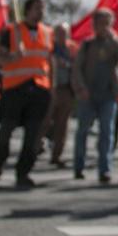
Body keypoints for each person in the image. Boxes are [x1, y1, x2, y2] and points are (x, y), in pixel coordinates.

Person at [0, 0, 54, 188]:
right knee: (6, 130)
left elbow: (49, 61)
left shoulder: (47, 32)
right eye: (37, 8)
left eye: (42, 8)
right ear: (27, 10)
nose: (40, 12)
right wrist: (13, 56)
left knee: (33, 134)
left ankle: (23, 172)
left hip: (39, 90)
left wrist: (52, 86)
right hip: (15, 89)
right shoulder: (11, 31)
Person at [72, 10, 118, 184]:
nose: (105, 26)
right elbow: (77, 69)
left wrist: (114, 39)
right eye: (101, 23)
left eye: (108, 23)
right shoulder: (87, 45)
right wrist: (81, 88)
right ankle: (79, 166)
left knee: (107, 132)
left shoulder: (113, 43)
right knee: (82, 131)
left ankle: (105, 169)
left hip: (108, 94)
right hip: (88, 95)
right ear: (95, 25)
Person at [43, 23, 76, 167]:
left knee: (62, 125)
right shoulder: (48, 47)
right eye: (59, 33)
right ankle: (34, 150)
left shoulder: (72, 49)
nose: (62, 36)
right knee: (43, 122)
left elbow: (78, 65)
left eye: (65, 33)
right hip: (50, 89)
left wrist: (68, 65)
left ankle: (56, 155)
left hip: (66, 90)